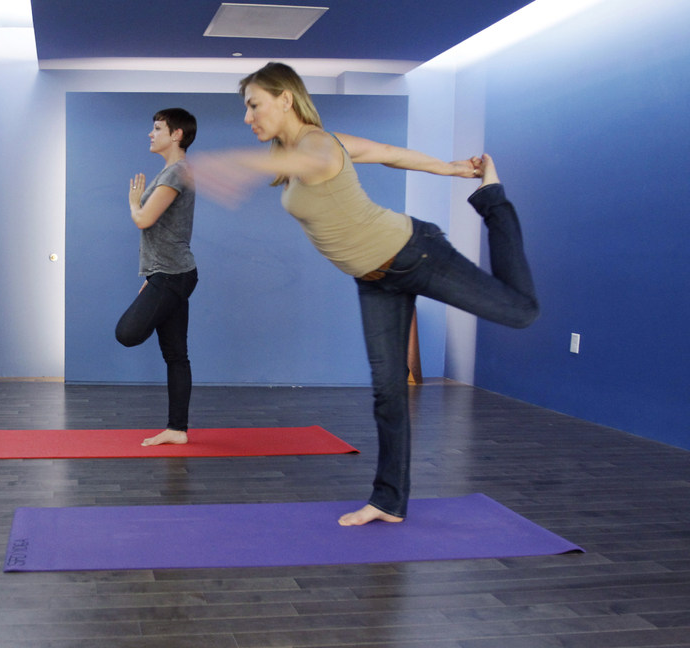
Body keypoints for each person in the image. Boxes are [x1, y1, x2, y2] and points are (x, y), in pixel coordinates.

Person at [195, 62, 539, 525]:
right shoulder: (312, 148)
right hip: (376, 280)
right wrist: (451, 167)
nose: (247, 116)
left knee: (520, 312)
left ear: (285, 99)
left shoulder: (317, 144)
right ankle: (388, 502)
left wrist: (235, 162)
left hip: (416, 254)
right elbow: (387, 152)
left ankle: (494, 200)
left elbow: (308, 160)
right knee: (388, 394)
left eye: (253, 105)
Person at [115, 108, 200, 446]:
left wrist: (134, 203)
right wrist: (152, 278)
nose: (151, 134)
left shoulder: (176, 172)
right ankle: (177, 430)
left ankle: (177, 428)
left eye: (157, 128)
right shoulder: (172, 171)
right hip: (169, 273)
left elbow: (144, 219)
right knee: (176, 354)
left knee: (128, 333)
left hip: (174, 274)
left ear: (176, 134)